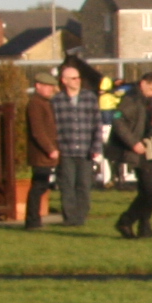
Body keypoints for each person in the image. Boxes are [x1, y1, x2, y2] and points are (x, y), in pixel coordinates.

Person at [110, 73, 152, 239]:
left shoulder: (145, 100)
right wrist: (133, 143)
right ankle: (126, 221)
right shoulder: (131, 99)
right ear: (142, 83)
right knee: (149, 190)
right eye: (150, 88)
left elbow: (143, 123)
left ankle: (144, 226)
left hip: (145, 148)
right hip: (136, 149)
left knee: (147, 191)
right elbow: (118, 120)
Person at [51, 62, 101, 226]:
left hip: (86, 150)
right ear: (64, 80)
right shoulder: (57, 101)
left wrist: (96, 147)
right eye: (73, 78)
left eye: (78, 78)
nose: (77, 80)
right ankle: (70, 218)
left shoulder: (89, 98)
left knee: (84, 185)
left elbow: (97, 124)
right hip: (65, 150)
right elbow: (53, 127)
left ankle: (80, 217)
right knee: (67, 186)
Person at [22, 74, 61, 229]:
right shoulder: (35, 104)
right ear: (38, 86)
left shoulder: (44, 103)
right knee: (38, 186)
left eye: (51, 86)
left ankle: (34, 220)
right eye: (47, 86)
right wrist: (50, 149)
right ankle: (32, 220)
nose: (51, 89)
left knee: (41, 186)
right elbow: (37, 131)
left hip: (45, 153)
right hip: (41, 154)